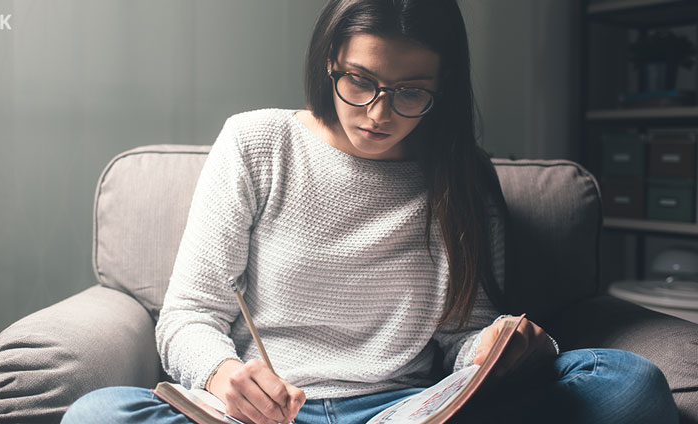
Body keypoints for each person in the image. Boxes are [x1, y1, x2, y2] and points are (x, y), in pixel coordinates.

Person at [62, 0, 679, 423]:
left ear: (443, 90)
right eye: (359, 82)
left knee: (626, 382)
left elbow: (463, 339)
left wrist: (496, 346)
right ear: (329, 63)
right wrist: (223, 372)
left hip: (403, 409)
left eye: (411, 92)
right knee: (95, 414)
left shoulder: (460, 176)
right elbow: (189, 315)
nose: (379, 113)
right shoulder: (257, 144)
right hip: (268, 414)